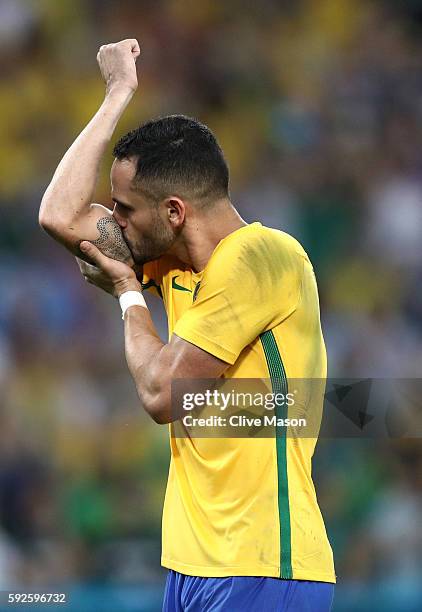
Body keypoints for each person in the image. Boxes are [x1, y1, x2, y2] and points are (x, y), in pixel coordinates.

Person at [39, 39, 336, 612]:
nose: (114, 219)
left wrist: (128, 293)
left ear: (173, 212)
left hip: (265, 565)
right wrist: (116, 95)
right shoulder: (174, 260)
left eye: (124, 209)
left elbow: (161, 394)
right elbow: (60, 215)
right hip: (190, 564)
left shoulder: (263, 257)